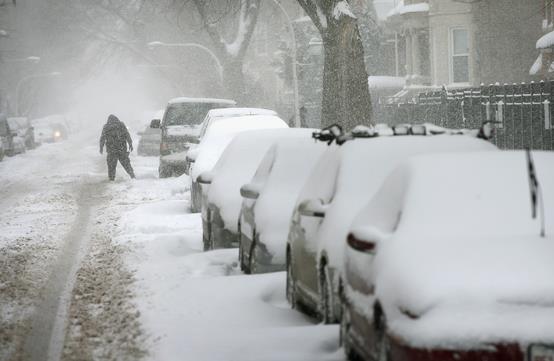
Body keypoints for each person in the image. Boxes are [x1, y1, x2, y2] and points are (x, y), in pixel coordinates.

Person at [99, 114, 135, 181]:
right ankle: (132, 175)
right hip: (121, 148)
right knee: (126, 164)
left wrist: (101, 147)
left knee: (111, 166)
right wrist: (130, 144)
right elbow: (127, 135)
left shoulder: (106, 126)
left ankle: (111, 179)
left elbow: (102, 138)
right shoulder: (121, 125)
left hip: (111, 150)